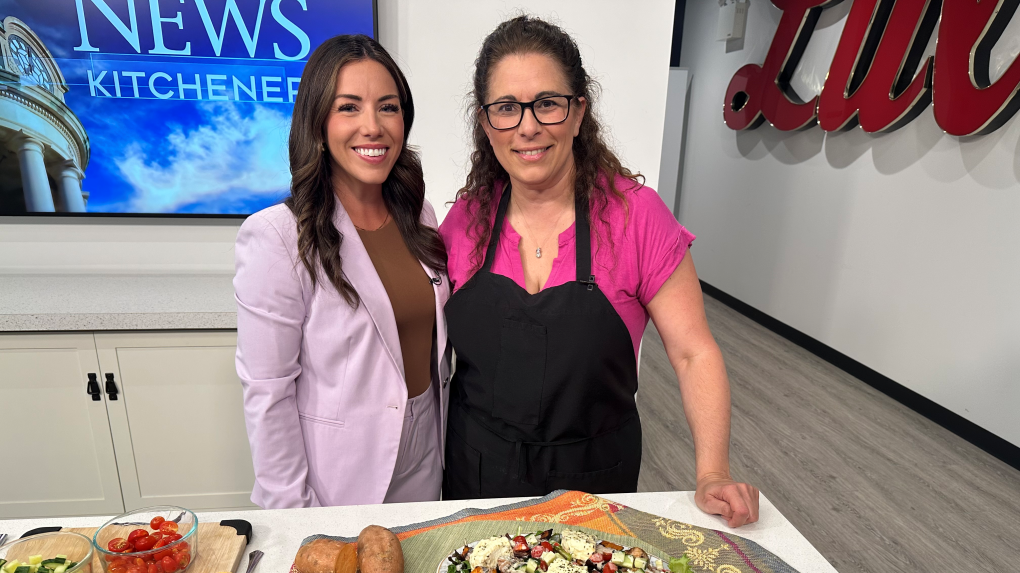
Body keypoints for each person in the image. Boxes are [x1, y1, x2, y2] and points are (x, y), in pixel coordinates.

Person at [439, 16, 760, 527]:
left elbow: (694, 351)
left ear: (578, 112)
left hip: (595, 485)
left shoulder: (637, 217)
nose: (527, 126)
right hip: (475, 477)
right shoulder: (463, 223)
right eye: (506, 108)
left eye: (547, 103)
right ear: (485, 122)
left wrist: (712, 472)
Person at [234, 35, 450, 508]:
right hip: (343, 476)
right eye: (348, 107)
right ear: (318, 122)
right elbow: (268, 395)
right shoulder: (276, 236)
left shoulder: (422, 215)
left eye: (388, 107)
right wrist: (294, 514)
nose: (372, 127)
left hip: (427, 453)